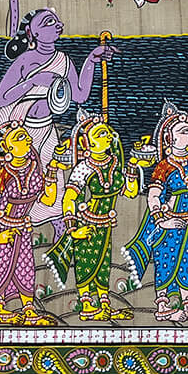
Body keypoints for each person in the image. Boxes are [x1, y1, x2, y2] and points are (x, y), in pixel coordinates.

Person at [0, 8, 116, 222]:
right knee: (19, 183)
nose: (57, 25)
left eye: (56, 21)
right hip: (21, 131)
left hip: (46, 130)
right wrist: (32, 82)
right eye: (48, 22)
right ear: (32, 32)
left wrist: (91, 60)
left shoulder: (63, 60)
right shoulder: (25, 61)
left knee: (53, 183)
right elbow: (0, 99)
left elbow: (79, 95)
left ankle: (52, 226)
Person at [125, 105, 188, 323]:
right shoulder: (164, 166)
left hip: (187, 224)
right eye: (184, 131)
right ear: (170, 139)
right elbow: (154, 196)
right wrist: (161, 220)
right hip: (167, 223)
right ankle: (163, 307)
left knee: (187, 264)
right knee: (166, 262)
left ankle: (187, 307)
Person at [46, 115, 138, 321]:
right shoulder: (83, 168)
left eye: (107, 133)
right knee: (86, 263)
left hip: (106, 224)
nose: (107, 137)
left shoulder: (115, 164)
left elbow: (130, 192)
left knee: (103, 264)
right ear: (88, 142)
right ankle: (87, 305)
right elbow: (69, 198)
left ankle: (104, 303)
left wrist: (132, 167)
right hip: (87, 222)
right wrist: (72, 229)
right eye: (101, 134)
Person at [0, 124, 55, 325]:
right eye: (19, 138)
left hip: (23, 229)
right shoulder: (2, 174)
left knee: (26, 268)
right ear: (8, 149)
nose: (27, 141)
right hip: (2, 228)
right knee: (1, 266)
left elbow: (48, 199)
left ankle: (28, 309)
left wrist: (51, 176)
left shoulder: (35, 171)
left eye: (26, 137)